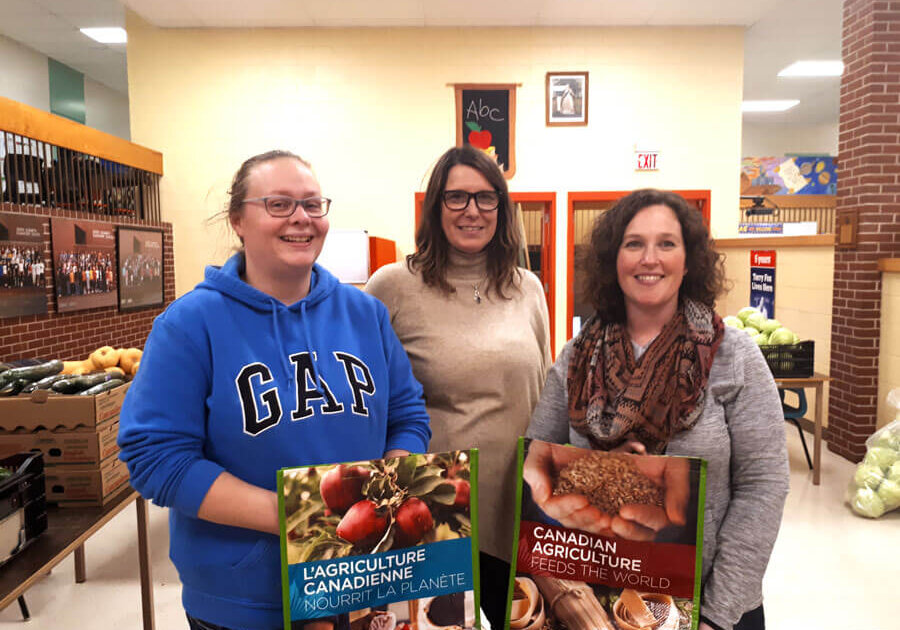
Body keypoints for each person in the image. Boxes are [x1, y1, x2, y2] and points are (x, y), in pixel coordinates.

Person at [118, 150, 432, 630]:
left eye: (312, 204)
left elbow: (408, 416)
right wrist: (301, 518)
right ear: (238, 220)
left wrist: (383, 499)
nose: (302, 219)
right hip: (243, 601)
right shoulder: (189, 325)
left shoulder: (365, 315)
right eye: (279, 204)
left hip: (360, 581)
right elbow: (156, 458)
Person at [524, 189, 789, 630]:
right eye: (634, 244)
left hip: (709, 604)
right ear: (614, 260)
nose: (650, 258)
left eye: (667, 243)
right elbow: (537, 459)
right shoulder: (577, 358)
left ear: (689, 261)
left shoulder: (732, 356)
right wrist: (580, 475)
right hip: (602, 599)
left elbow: (763, 486)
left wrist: (716, 615)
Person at [365, 145, 551, 628]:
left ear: (502, 208)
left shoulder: (528, 288)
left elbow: (546, 395)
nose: (472, 210)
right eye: (456, 197)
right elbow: (364, 402)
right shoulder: (392, 287)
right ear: (435, 206)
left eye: (486, 198)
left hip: (521, 512)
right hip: (436, 518)